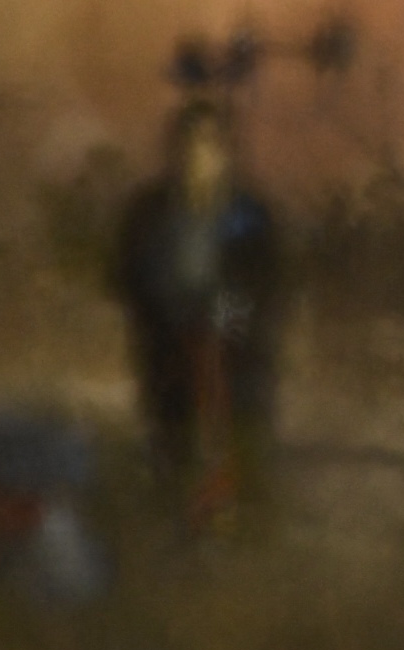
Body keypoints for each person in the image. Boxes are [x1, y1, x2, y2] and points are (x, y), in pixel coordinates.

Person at [112, 101, 284, 524]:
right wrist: (172, 319)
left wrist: (223, 326)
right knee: (173, 455)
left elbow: (265, 280)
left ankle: (241, 530)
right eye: (188, 142)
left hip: (235, 358)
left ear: (226, 149)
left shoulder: (249, 212)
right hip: (170, 353)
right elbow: (128, 277)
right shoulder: (148, 211)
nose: (197, 153)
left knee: (239, 452)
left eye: (209, 142)